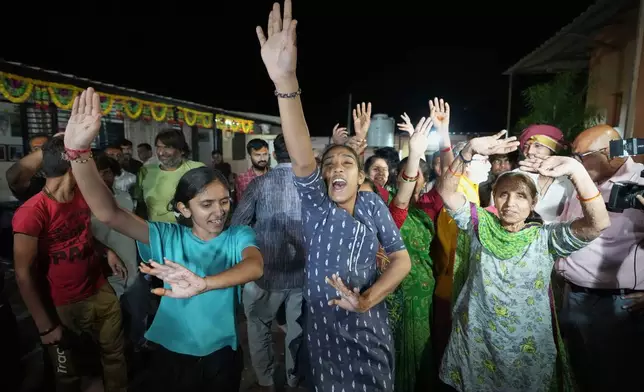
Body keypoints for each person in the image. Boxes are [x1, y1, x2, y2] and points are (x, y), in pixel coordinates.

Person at [62, 87, 264, 391]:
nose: (219, 212)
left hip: (221, 351)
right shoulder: (166, 235)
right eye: (206, 204)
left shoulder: (238, 235)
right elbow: (108, 214)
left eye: (224, 201)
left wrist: (204, 283)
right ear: (183, 208)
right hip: (172, 351)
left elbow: (254, 265)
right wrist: (79, 154)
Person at [255, 2, 411, 391]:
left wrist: (368, 298)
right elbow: (303, 154)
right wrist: (286, 82)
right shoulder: (317, 203)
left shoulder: (374, 204)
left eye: (347, 163)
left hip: (367, 324)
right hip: (322, 329)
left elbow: (402, 260)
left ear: (362, 176)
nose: (336, 168)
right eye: (330, 164)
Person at [437, 131, 610, 392]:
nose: (510, 203)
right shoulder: (479, 224)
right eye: (504, 195)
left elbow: (598, 224)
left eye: (520, 196)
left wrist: (576, 171)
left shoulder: (545, 238)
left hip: (526, 346)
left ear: (533, 203)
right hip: (477, 339)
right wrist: (468, 151)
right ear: (494, 197)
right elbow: (446, 191)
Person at [12, 137, 128, 392]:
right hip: (62, 305)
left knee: (115, 358)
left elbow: (80, 233)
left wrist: (106, 251)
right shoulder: (33, 211)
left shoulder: (82, 196)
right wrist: (46, 327)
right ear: (72, 165)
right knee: (68, 376)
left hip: (99, 290)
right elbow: (23, 274)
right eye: (85, 161)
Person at [556, 125, 644, 392]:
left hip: (615, 306)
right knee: (576, 375)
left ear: (609, 153)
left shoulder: (641, 182)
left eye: (581, 156)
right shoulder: (584, 178)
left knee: (611, 380)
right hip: (572, 296)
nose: (575, 162)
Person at [231, 133, 305, 391]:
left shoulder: (259, 184)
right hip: (303, 275)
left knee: (258, 325)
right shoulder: (314, 185)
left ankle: (265, 380)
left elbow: (237, 225)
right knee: (297, 330)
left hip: (264, 271)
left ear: (274, 154)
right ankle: (294, 379)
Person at [386, 114, 437, 392]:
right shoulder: (392, 209)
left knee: (422, 348)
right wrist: (415, 154)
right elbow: (402, 199)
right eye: (410, 175)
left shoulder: (427, 213)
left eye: (420, 176)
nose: (415, 180)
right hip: (399, 291)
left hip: (425, 291)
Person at [135, 129, 205, 221]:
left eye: (167, 147)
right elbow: (139, 205)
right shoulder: (146, 171)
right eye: (159, 147)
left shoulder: (196, 169)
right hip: (156, 231)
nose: (161, 152)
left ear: (182, 150)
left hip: (187, 232)